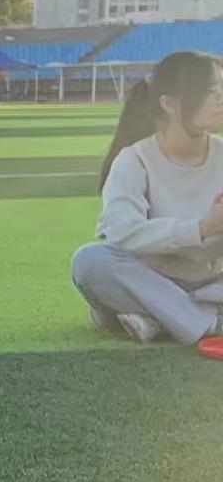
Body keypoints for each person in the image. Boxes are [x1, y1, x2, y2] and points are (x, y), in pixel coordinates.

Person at [71, 51, 223, 345]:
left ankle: (159, 318)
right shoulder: (135, 159)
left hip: (214, 282)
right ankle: (207, 323)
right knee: (89, 262)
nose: (222, 99)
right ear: (170, 104)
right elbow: (122, 231)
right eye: (211, 91)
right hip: (152, 279)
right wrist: (203, 228)